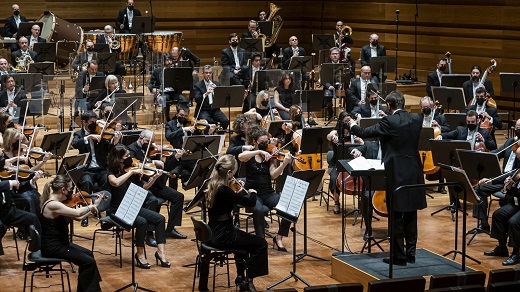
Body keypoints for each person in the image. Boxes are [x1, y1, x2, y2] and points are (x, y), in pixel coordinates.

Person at [348, 91, 426, 266]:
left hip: (397, 172)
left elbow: (365, 132)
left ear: (389, 106)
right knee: (411, 214)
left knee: (396, 215)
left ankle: (398, 256)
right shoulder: (416, 119)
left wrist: (352, 125)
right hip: (414, 171)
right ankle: (411, 254)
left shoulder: (388, 121)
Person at [199, 154, 268, 292]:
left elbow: (227, 198)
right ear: (229, 172)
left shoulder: (211, 184)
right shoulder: (224, 191)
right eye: (234, 172)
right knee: (261, 244)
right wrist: (253, 192)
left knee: (243, 241)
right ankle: (248, 280)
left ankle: (241, 276)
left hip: (212, 233)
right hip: (224, 236)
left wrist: (234, 187)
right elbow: (251, 202)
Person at [107, 144, 170, 268]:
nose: (131, 158)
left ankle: (161, 252)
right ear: (120, 159)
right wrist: (131, 172)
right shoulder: (110, 172)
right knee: (142, 222)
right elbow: (116, 182)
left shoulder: (131, 170)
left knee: (160, 219)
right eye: (127, 156)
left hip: (131, 207)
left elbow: (144, 188)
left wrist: (154, 178)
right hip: (117, 211)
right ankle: (140, 254)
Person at [39, 175, 102, 291]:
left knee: (89, 255)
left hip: (61, 243)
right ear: (63, 190)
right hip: (53, 247)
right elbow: (77, 213)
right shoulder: (53, 204)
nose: (71, 193)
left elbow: (78, 218)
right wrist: (91, 206)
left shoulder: (59, 202)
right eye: (70, 189)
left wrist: (94, 207)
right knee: (88, 262)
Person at [238, 126, 292, 251]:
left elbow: (273, 175)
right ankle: (260, 241)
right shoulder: (250, 155)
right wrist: (258, 152)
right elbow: (241, 156)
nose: (265, 144)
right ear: (255, 142)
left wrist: (283, 164)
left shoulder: (271, 154)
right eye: (262, 142)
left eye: (266, 141)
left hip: (267, 192)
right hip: (252, 192)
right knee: (259, 210)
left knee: (288, 209)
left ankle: (278, 238)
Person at [127, 129, 187, 239]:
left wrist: (176, 157)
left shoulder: (153, 150)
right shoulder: (131, 149)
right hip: (141, 185)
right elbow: (134, 163)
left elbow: (166, 168)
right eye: (149, 141)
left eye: (153, 142)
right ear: (141, 138)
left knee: (178, 197)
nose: (152, 144)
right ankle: (149, 234)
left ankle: (170, 229)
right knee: (152, 200)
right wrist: (153, 162)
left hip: (156, 184)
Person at [473, 119, 520, 232]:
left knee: (505, 197)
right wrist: (482, 155)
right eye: (517, 128)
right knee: (478, 188)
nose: (518, 131)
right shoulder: (510, 142)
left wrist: (491, 180)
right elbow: (497, 153)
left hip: (512, 182)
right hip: (501, 178)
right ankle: (484, 224)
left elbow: (515, 173)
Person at [72, 110, 122, 194]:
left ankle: (107, 204)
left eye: (95, 122)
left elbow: (108, 148)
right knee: (87, 182)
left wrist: (115, 142)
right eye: (92, 122)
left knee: (108, 181)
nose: (94, 124)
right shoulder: (79, 134)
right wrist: (88, 137)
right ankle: (86, 205)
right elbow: (75, 144)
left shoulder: (99, 132)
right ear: (84, 122)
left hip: (101, 168)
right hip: (87, 169)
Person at [326, 112, 365, 214]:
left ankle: (362, 200)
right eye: (345, 121)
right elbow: (329, 136)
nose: (348, 123)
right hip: (337, 162)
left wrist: (361, 142)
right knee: (335, 179)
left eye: (349, 121)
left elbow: (364, 146)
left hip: (353, 162)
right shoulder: (337, 132)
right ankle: (336, 203)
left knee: (364, 176)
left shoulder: (355, 131)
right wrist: (332, 137)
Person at [484, 164, 520, 266]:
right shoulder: (519, 170)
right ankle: (502, 248)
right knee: (498, 215)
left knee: (514, 222)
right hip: (517, 204)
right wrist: (491, 180)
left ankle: (516, 254)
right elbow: (507, 176)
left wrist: (510, 189)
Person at [148, 53, 187, 122]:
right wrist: (153, 89)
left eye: (170, 60)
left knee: (184, 99)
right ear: (163, 61)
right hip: (163, 92)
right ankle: (167, 119)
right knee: (164, 99)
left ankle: (177, 118)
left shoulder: (175, 70)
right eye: (167, 60)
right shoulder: (157, 71)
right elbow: (150, 83)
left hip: (174, 92)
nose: (169, 62)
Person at [193, 65, 230, 130]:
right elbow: (197, 99)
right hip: (203, 109)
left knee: (225, 121)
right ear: (203, 74)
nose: (208, 75)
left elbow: (222, 98)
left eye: (210, 73)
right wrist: (206, 94)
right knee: (208, 121)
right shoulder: (198, 85)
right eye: (206, 73)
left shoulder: (217, 84)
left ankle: (220, 134)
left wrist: (217, 90)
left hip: (215, 109)